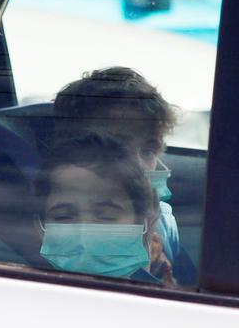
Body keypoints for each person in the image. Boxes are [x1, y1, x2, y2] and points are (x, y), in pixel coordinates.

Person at [53, 67, 182, 271]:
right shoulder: (69, 224)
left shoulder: (163, 217)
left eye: (149, 150)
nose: (138, 164)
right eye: (118, 148)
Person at [35, 133, 174, 284]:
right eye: (63, 217)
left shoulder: (164, 287)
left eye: (106, 216)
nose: (85, 235)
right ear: (40, 228)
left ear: (144, 223)